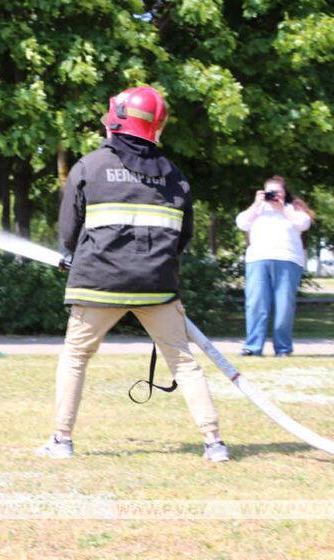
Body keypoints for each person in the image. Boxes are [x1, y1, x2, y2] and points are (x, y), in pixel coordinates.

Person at [37, 86, 229, 462]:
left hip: (97, 285)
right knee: (184, 362)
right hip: (157, 288)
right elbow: (183, 236)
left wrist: (75, 255)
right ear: (156, 128)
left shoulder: (89, 166)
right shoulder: (174, 176)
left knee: (75, 357)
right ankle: (214, 443)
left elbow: (69, 231)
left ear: (115, 124)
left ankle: (61, 441)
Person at [235, 177, 313, 357]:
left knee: (284, 306)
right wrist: (256, 204)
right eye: (269, 192)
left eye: (277, 192)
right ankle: (253, 347)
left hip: (287, 259)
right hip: (258, 259)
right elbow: (241, 223)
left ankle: (283, 348)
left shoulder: (292, 209)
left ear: (284, 193)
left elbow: (304, 224)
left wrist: (283, 209)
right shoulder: (258, 209)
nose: (273, 195)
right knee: (256, 304)